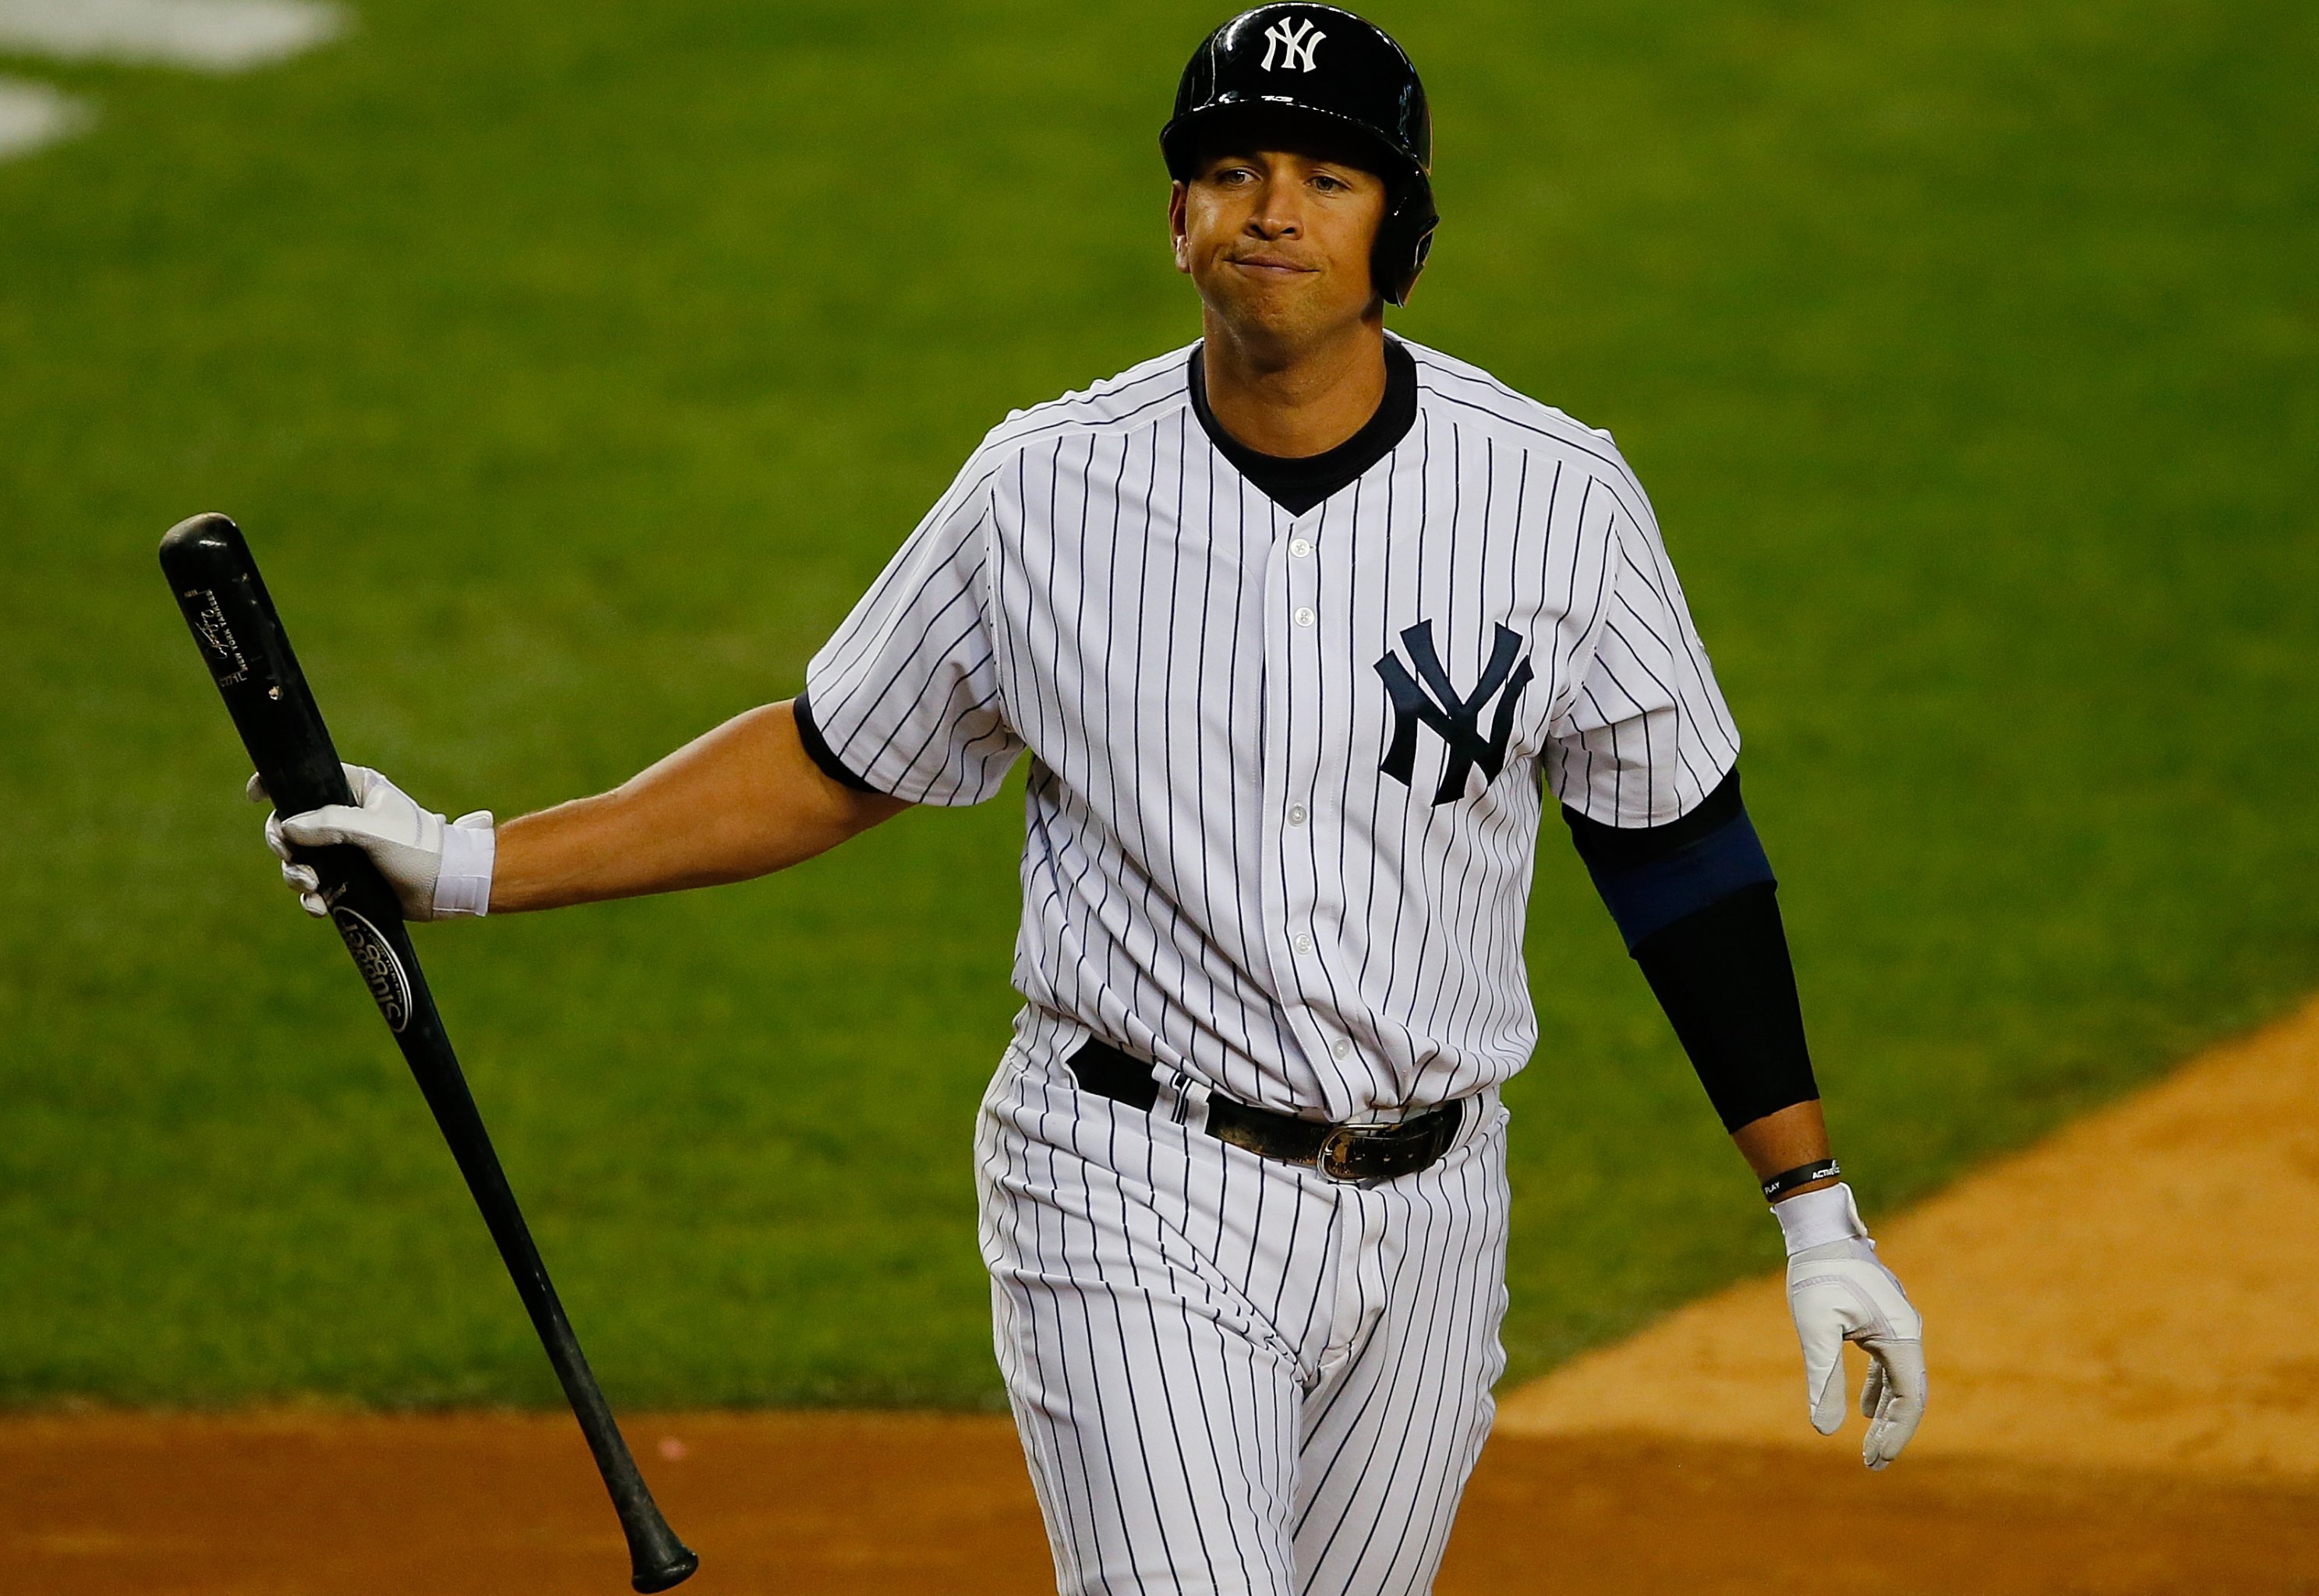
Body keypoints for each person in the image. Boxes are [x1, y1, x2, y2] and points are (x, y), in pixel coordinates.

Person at [255, 7, 1925, 1591]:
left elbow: (1678, 848)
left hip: (1434, 1211)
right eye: (1232, 171)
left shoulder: (1555, 498)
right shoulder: (1042, 490)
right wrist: (468, 864)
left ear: (1399, 237)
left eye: (1326, 178)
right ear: (1179, 216)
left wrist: (1816, 1211)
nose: (1273, 211)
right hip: (1131, 1177)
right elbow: (832, 758)